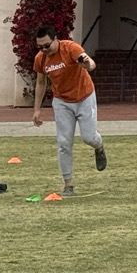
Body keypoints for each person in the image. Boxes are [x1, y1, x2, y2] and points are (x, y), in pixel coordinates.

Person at [31, 24, 106, 196]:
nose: (44, 50)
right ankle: (68, 184)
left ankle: (99, 146)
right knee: (64, 143)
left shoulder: (70, 48)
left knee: (88, 137)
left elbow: (90, 64)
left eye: (47, 45)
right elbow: (41, 83)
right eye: (40, 47)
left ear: (55, 39)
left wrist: (87, 63)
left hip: (84, 96)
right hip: (61, 101)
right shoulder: (40, 59)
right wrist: (37, 109)